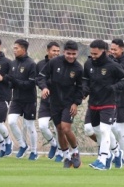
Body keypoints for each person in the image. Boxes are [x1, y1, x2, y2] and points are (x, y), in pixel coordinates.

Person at [83, 40, 124, 170]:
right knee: (97, 131)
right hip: (93, 103)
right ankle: (116, 152)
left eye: (96, 54)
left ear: (104, 51)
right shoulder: (88, 64)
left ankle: (103, 159)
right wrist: (84, 91)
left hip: (108, 103)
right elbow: (85, 81)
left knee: (104, 130)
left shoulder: (112, 65)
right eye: (91, 53)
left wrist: (113, 88)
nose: (93, 56)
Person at [37, 40, 84, 168]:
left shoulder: (79, 68)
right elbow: (40, 77)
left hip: (69, 103)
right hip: (54, 102)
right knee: (59, 129)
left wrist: (76, 103)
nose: (71, 56)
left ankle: (75, 152)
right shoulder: (54, 63)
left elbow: (81, 88)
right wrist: (44, 88)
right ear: (64, 52)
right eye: (68, 53)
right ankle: (66, 157)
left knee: (66, 128)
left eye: (74, 54)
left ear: (77, 53)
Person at [4, 39, 38, 160]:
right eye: (14, 48)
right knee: (11, 121)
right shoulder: (12, 64)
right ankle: (23, 145)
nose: (14, 50)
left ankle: (34, 151)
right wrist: (8, 82)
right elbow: (12, 82)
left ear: (23, 49)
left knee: (30, 126)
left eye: (16, 48)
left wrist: (14, 81)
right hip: (16, 99)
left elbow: (30, 84)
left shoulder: (31, 64)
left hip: (29, 99)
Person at [35, 41, 62, 161]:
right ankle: (53, 144)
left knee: (59, 128)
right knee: (42, 126)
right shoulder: (41, 64)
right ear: (48, 51)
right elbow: (39, 79)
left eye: (57, 51)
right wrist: (44, 87)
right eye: (53, 51)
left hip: (60, 101)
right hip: (46, 101)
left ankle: (61, 152)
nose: (56, 53)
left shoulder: (63, 64)